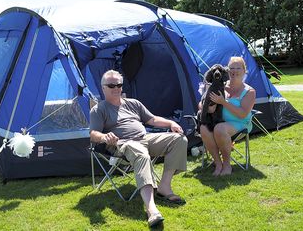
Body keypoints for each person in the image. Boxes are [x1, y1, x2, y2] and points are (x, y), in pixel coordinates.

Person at [90, 70, 188, 227]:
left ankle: (164, 187)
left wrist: (171, 123)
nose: (116, 88)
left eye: (119, 84)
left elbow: (152, 119)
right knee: (141, 154)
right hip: (123, 143)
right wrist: (104, 137)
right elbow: (93, 133)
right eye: (111, 85)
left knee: (179, 139)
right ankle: (151, 210)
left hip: (145, 138)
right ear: (103, 88)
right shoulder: (99, 109)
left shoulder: (133, 103)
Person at [199, 57, 256, 176]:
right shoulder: (219, 84)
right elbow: (202, 102)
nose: (234, 71)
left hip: (240, 123)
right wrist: (207, 108)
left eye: (238, 68)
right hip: (218, 121)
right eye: (231, 68)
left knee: (220, 129)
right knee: (204, 128)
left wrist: (223, 102)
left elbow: (243, 114)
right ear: (227, 70)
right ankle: (218, 163)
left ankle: (227, 165)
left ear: (244, 70)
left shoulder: (249, 91)